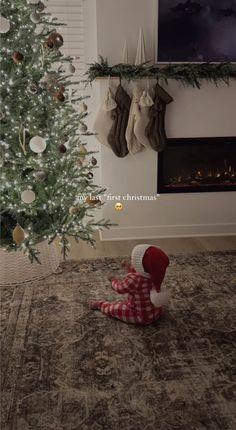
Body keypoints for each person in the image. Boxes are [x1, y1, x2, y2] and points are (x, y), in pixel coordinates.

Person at [90, 244, 170, 325]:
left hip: (139, 316)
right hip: (155, 313)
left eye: (134, 261)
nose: (132, 262)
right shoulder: (155, 274)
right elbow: (141, 271)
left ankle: (100, 305)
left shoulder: (134, 279)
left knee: (115, 308)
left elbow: (120, 288)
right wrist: (128, 267)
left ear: (139, 266)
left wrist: (112, 280)